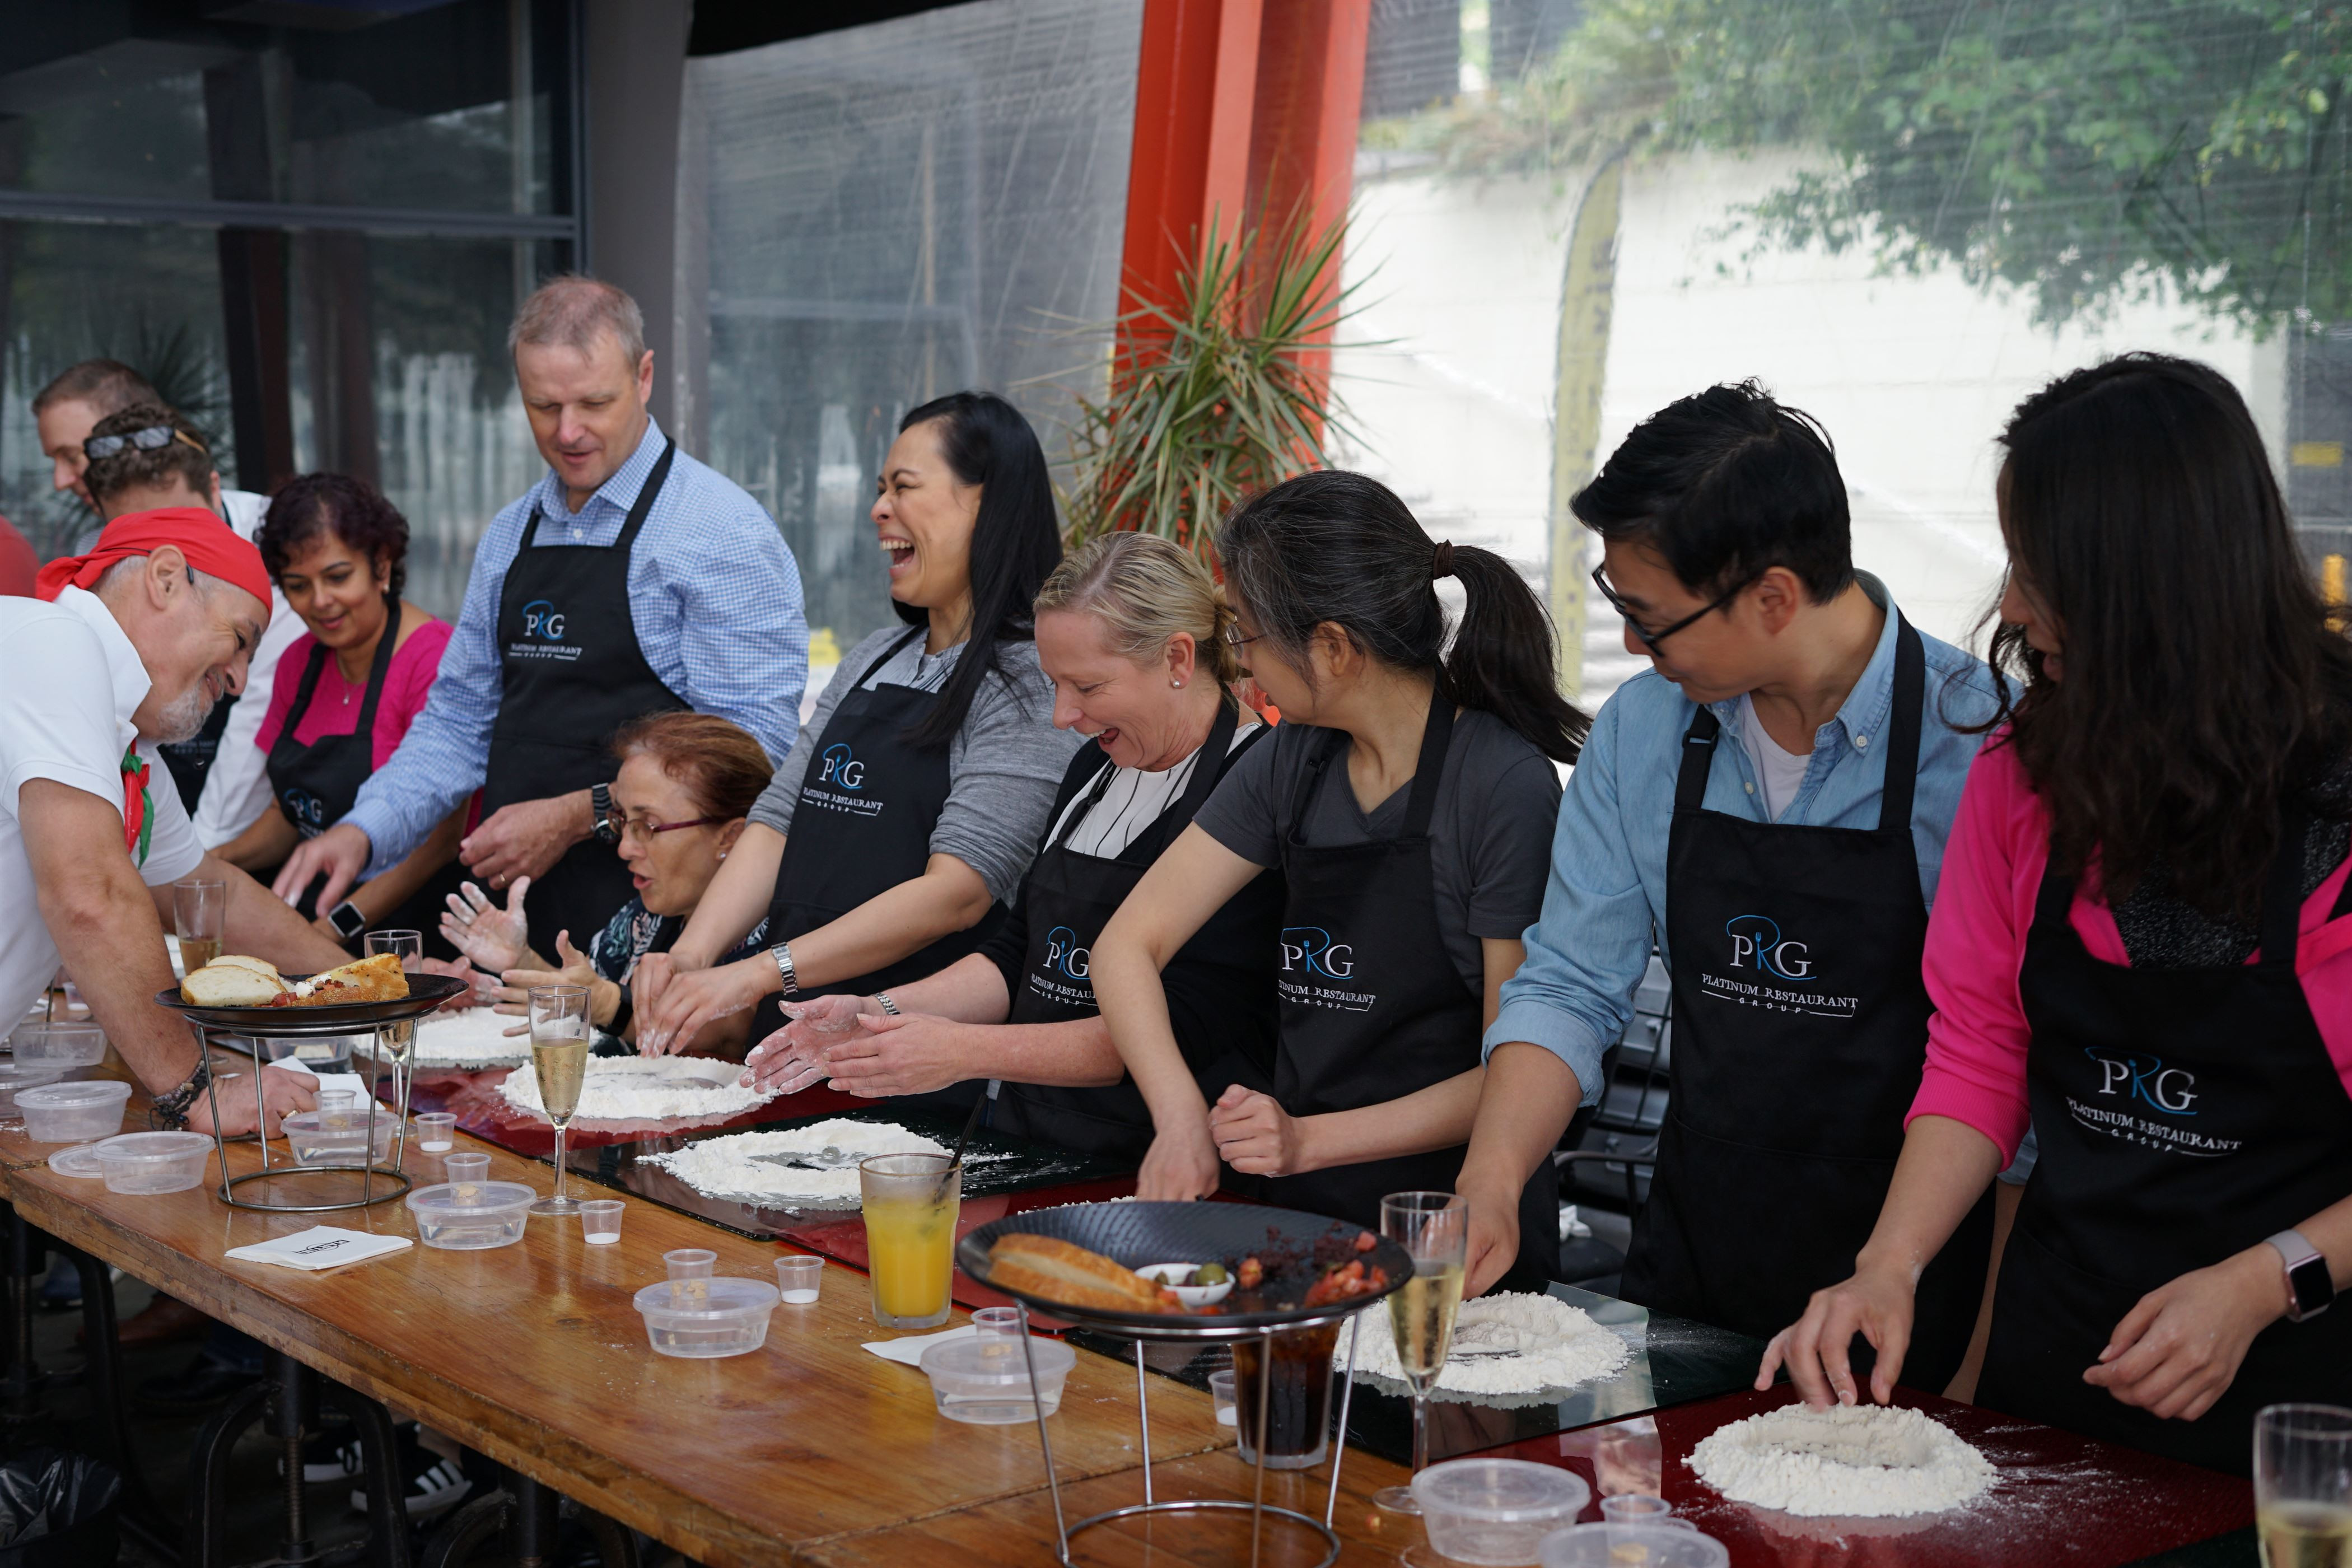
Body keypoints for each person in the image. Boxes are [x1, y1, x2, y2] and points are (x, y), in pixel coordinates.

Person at [1763, 354, 2352, 1473]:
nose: (2015, 607)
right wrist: (1889, 1263)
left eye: (2039, 571)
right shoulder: (2025, 764)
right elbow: (1983, 1045)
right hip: (2063, 1358)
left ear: (2145, 582)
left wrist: (2263, 1277)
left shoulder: (2336, 808)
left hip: (2299, 1411)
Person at [1452, 384, 2002, 1383]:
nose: (1630, 647)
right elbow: (1573, 981)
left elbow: (2008, 1065)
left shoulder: (1982, 747)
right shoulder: (1644, 729)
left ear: (1775, 597)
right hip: (1695, 1264)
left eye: (1651, 620)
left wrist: (1976, 1360)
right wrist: (1492, 1178)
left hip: (1910, 1298)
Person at [1091, 472, 1581, 1286]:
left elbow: (1519, 1067)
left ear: (1332, 647)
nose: (1240, 666)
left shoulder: (1501, 785)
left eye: (1246, 635)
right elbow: (1125, 947)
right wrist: (1179, 1117)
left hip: (1457, 1232)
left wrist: (1310, 1139)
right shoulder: (1294, 759)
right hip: (1302, 1222)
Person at [272, 277, 809, 963]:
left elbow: (752, 751)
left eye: (594, 403)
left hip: (657, 929)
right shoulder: (510, 534)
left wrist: (575, 814)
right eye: (543, 406)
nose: (568, 432)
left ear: (644, 378)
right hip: (513, 924)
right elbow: (458, 721)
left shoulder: (719, 533)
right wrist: (364, 830)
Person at [741, 532, 1282, 1162]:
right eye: (1055, 683)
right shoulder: (1093, 769)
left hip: (1165, 1160)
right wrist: (875, 1011)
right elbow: (1017, 953)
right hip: (1033, 1141)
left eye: (1087, 686)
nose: (1062, 715)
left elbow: (1182, 1024)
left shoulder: (1255, 786)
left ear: (1179, 660)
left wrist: (962, 1051)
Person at [636, 391, 1082, 1107]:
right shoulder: (875, 657)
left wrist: (756, 973)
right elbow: (777, 820)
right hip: (786, 1049)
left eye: (904, 487)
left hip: (914, 1075)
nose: (878, 509)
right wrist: (693, 955)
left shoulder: (1029, 679)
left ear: (988, 505)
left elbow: (956, 895)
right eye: (879, 489)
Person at [1, 510, 340, 1137]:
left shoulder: (128, 739)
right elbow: (90, 893)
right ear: (164, 578)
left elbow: (209, 890)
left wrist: (365, 987)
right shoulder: (54, 639)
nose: (239, 680)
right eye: (241, 639)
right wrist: (196, 1093)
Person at [40, 365, 299, 847]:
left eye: (183, 522)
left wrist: (199, 858)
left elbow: (256, 714)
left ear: (215, 490)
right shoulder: (71, 616)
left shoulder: (282, 541)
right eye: (139, 537)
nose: (167, 556)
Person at [213, 475, 466, 952]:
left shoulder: (432, 659)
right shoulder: (298, 662)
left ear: (381, 566)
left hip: (413, 932)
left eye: (337, 577)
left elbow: (441, 842)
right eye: (298, 585)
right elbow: (289, 816)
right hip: (314, 922)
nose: (320, 601)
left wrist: (327, 932)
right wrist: (211, 863)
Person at [438, 711, 774, 1053]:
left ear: (730, 838)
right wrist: (523, 964)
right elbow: (589, 1000)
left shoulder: (775, 932)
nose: (625, 848)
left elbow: (729, 1037)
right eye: (622, 820)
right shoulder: (640, 920)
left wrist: (603, 1004)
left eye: (648, 826)